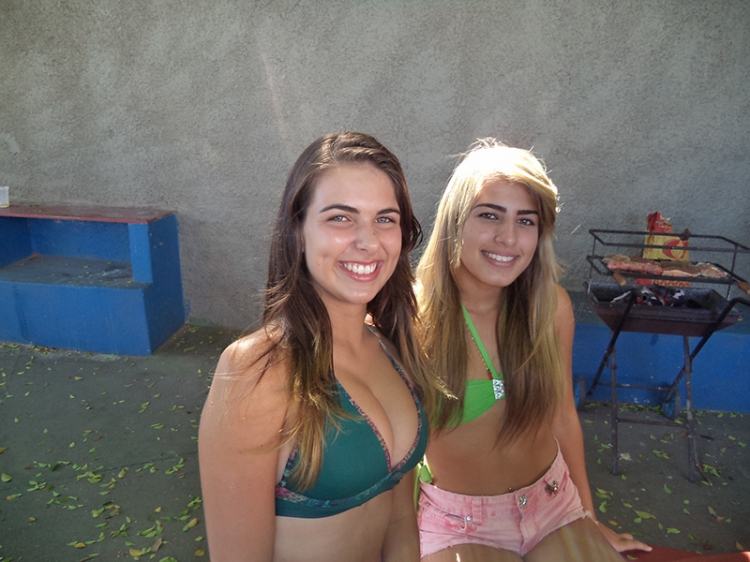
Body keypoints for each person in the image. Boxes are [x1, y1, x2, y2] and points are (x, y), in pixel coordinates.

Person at [198, 132, 438, 561]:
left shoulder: (389, 344)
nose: (368, 241)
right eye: (341, 218)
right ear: (298, 231)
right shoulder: (258, 370)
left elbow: (401, 518)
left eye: (385, 219)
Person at [415, 139, 651, 561]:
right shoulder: (412, 320)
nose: (508, 238)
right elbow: (393, 458)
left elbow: (562, 418)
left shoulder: (550, 307)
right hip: (458, 525)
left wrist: (589, 518)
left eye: (526, 221)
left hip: (555, 505)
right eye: (489, 215)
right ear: (455, 220)